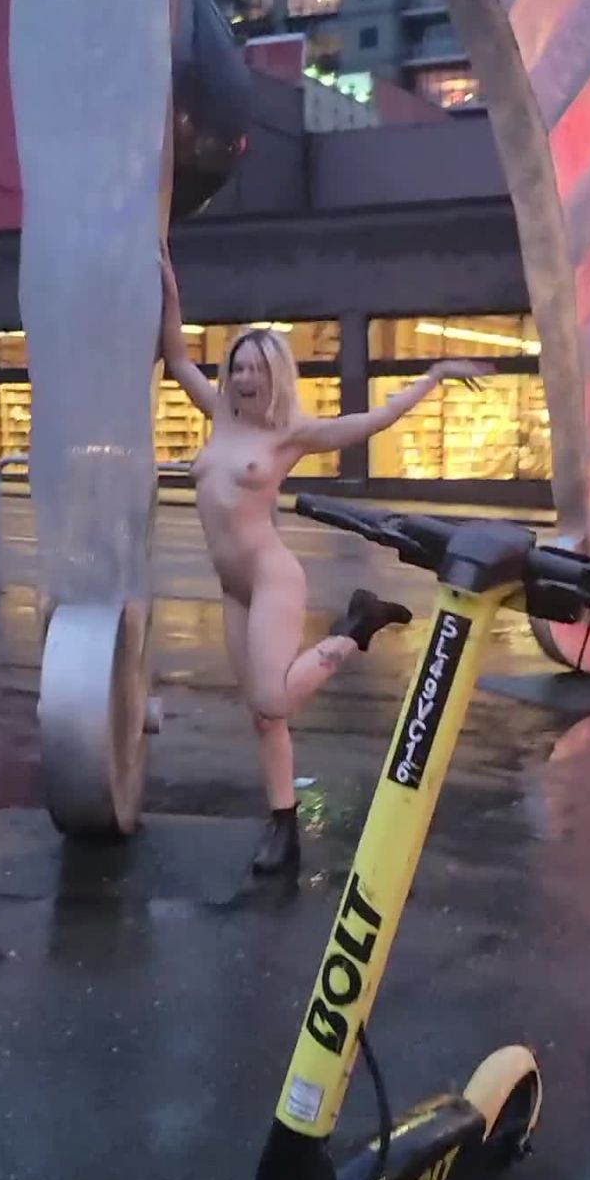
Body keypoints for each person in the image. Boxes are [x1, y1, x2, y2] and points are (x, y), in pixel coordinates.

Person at [159, 243, 487, 875]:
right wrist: (170, 288)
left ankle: (355, 628)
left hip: (270, 578)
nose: (244, 378)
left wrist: (433, 376)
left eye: (256, 369)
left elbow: (373, 420)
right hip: (231, 586)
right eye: (237, 367)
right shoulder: (217, 414)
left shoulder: (290, 433)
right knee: (262, 717)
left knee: (275, 702)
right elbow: (175, 356)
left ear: (275, 376)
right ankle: (282, 825)